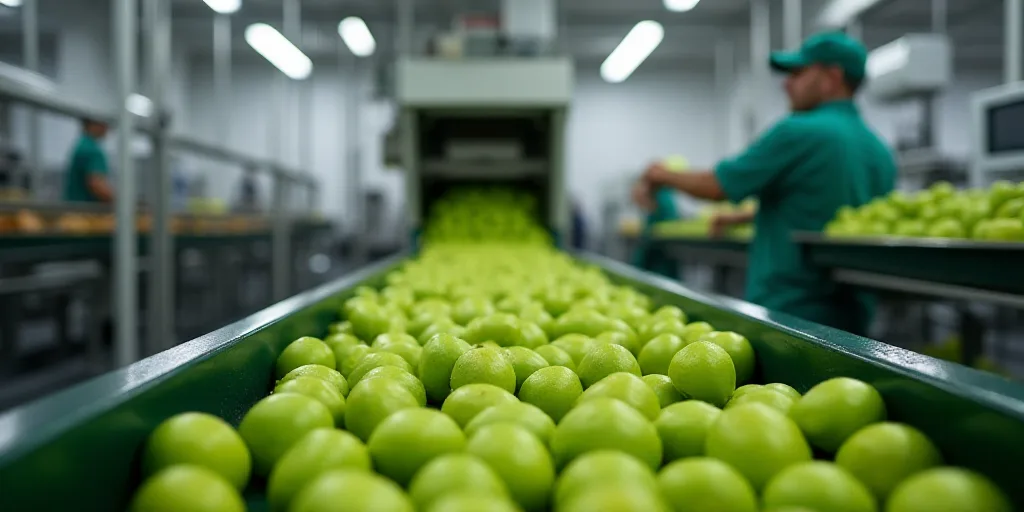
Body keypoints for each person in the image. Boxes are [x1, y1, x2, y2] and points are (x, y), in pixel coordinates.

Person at [640, 32, 896, 335]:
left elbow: (717, 186)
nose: (786, 83)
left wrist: (663, 175)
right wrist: (743, 217)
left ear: (831, 77)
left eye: (798, 73)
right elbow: (835, 208)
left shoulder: (800, 132)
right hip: (855, 316)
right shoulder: (879, 149)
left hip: (792, 308)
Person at [631, 158, 684, 279]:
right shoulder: (658, 196)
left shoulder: (663, 198)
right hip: (654, 256)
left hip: (660, 259)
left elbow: (665, 229)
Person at [64, 118, 114, 203]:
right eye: (104, 123)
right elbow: (97, 185)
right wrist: (122, 203)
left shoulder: (82, 145)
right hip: (85, 213)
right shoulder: (92, 150)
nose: (107, 128)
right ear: (94, 125)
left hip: (72, 210)